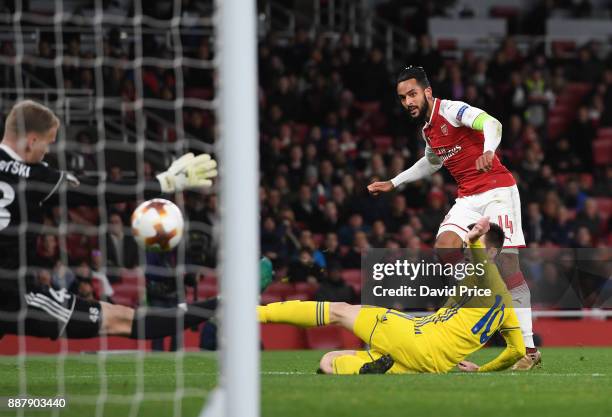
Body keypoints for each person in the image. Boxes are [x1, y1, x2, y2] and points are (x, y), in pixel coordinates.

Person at [0, 100, 218, 342]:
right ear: (31, 141)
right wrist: (163, 183)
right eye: (48, 143)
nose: (48, 152)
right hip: (10, 295)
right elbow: (97, 190)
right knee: (122, 320)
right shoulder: (34, 175)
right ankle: (220, 306)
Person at [366, 66, 539, 370]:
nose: (408, 101)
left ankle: (528, 349)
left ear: (427, 92)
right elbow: (431, 162)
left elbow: (492, 123)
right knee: (446, 247)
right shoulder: (428, 130)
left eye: (413, 94)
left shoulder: (453, 110)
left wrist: (488, 150)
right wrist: (394, 182)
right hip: (468, 197)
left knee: (508, 264)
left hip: (498, 189)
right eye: (403, 97)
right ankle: (477, 295)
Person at [258, 217, 526, 374]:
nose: (465, 252)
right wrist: (481, 370)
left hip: (415, 336)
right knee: (328, 363)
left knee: (339, 310)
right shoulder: (505, 304)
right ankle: (370, 369)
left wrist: (475, 238)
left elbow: (481, 260)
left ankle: (256, 313)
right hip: (432, 364)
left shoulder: (486, 273)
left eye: (469, 248)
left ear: (490, 253)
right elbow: (516, 351)